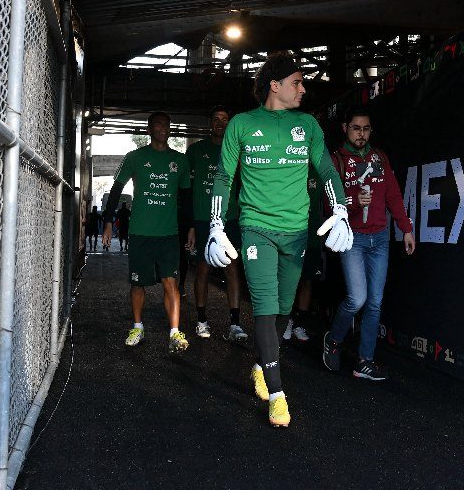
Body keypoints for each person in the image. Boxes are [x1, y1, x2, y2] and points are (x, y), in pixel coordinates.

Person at [205, 52, 352, 427]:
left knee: (284, 307)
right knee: (266, 307)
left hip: (297, 231)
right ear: (275, 85)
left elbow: (326, 170)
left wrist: (340, 211)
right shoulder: (241, 124)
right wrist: (216, 225)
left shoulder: (308, 124)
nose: (303, 89)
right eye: (297, 82)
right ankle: (277, 393)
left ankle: (260, 364)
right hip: (256, 227)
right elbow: (224, 177)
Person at [322, 108, 416, 380]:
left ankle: (365, 360)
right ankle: (334, 339)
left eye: (365, 128)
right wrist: (352, 200)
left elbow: (394, 196)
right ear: (345, 128)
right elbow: (329, 205)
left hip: (380, 238)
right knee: (357, 299)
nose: (361, 133)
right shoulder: (336, 160)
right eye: (356, 128)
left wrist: (406, 229)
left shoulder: (380, 158)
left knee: (374, 303)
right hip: (353, 238)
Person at [102, 112, 192, 353]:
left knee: (170, 282)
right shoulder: (135, 157)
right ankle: (138, 327)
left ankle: (174, 333)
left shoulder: (180, 161)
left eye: (166, 125)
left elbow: (186, 198)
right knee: (137, 283)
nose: (163, 128)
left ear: (170, 129)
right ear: (149, 129)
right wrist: (108, 221)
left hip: (169, 234)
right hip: (140, 233)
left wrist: (191, 228)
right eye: (158, 125)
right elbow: (116, 189)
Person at [185, 106, 249, 344]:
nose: (221, 123)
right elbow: (185, 188)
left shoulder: (237, 151)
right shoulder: (196, 151)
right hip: (203, 220)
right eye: (216, 119)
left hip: (230, 219)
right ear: (209, 123)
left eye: (225, 119)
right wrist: (191, 224)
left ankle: (235, 324)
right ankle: (201, 320)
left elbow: (247, 186)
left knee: (232, 268)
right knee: (203, 269)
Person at [282, 168, 325, 342]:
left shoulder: (319, 172)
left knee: (308, 281)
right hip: (291, 235)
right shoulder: (289, 169)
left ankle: (298, 323)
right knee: (289, 281)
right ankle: (285, 321)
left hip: (313, 235)